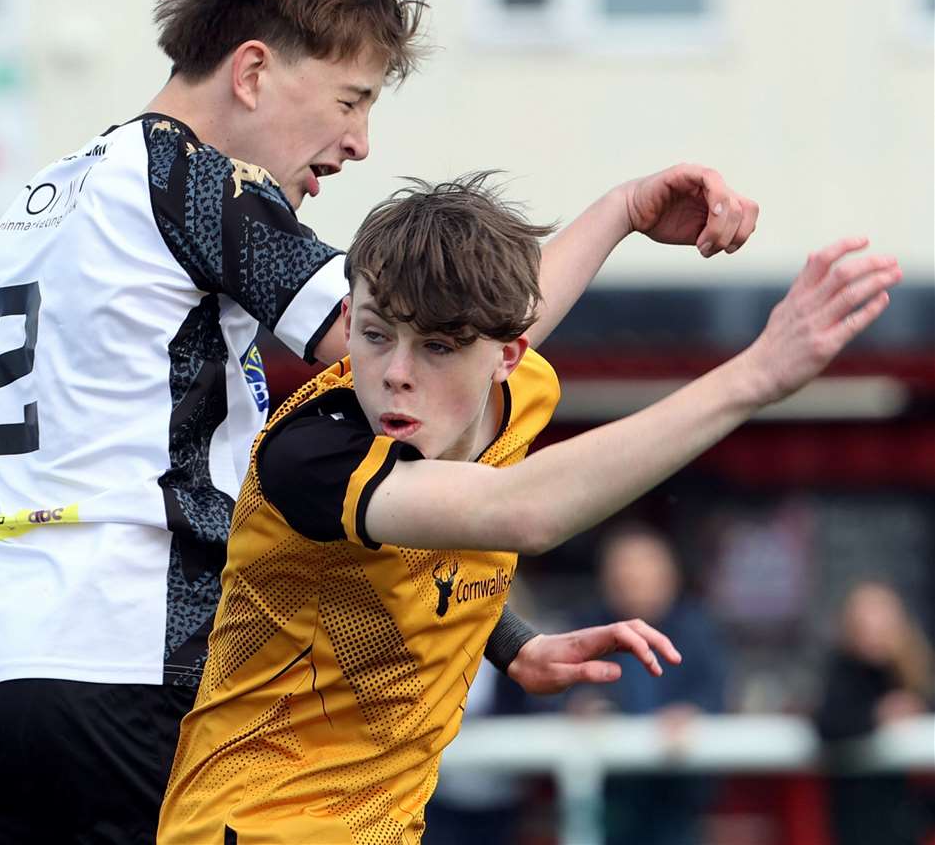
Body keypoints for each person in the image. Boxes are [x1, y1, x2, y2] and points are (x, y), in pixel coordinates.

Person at [0, 0, 761, 842]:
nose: (359, 141)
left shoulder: (29, 221)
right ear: (250, 73)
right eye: (351, 99)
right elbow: (449, 336)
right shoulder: (196, 184)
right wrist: (616, 211)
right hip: (122, 669)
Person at [158, 176, 898, 844]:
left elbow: (508, 321)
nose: (395, 376)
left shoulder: (508, 391)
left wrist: (625, 208)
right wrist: (756, 376)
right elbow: (522, 510)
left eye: (438, 347)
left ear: (505, 356)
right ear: (347, 318)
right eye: (375, 335)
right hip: (254, 827)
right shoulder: (314, 454)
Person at [566, 525, 727, 845]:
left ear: (669, 578)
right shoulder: (584, 629)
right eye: (623, 574)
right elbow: (549, 691)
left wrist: (692, 712)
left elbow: (715, 692)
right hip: (608, 790)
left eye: (642, 574)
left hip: (677, 791)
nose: (632, 583)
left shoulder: (698, 629)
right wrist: (579, 704)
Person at [816, 580, 935, 845]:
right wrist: (879, 715)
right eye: (865, 625)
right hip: (857, 815)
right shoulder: (844, 670)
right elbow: (828, 723)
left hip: (906, 815)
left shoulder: (914, 672)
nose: (873, 634)